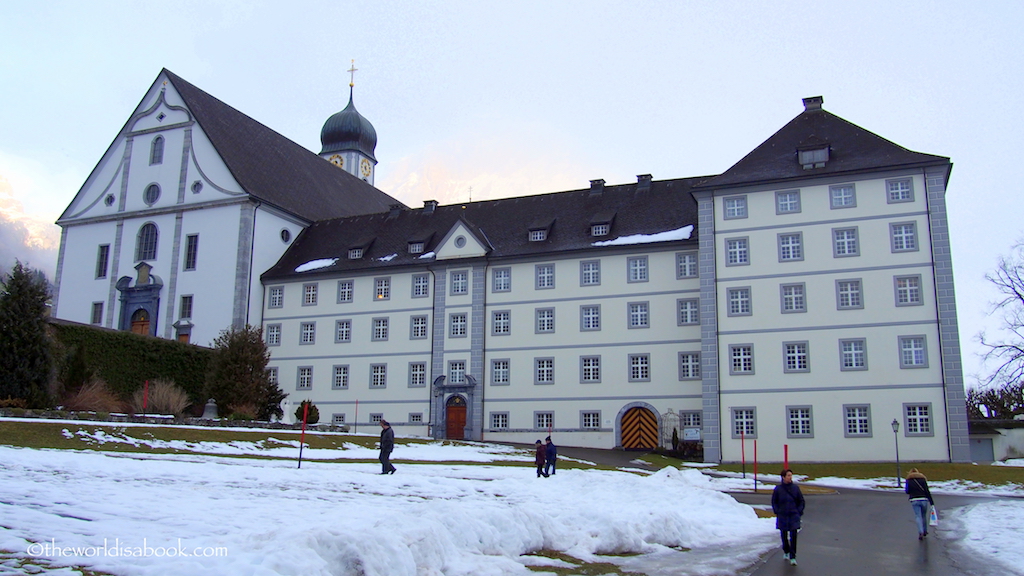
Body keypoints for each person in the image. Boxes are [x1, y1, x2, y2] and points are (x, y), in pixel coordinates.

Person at [771, 468, 805, 566]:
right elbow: (774, 501)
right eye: (788, 475)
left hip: (793, 515)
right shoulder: (778, 489)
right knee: (784, 535)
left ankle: (793, 556)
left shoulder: (795, 488)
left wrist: (799, 511)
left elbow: (801, 501)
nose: (790, 477)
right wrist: (777, 511)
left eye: (791, 475)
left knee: (794, 536)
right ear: (783, 477)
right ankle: (786, 550)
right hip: (783, 515)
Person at [905, 468, 935, 539]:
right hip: (923, 499)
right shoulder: (922, 479)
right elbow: (927, 490)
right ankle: (925, 530)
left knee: (918, 516)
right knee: (923, 515)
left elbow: (907, 491)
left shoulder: (909, 480)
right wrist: (931, 502)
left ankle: (920, 531)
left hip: (914, 500)